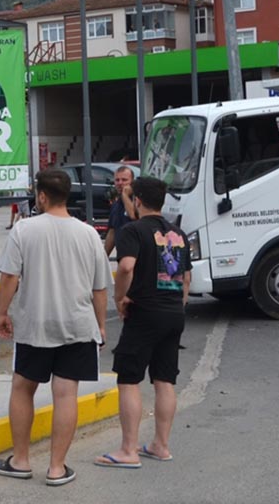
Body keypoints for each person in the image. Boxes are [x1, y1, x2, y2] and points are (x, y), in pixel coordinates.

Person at [0, 168, 111, 487]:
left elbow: (9, 278)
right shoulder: (88, 233)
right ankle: (57, 468)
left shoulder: (24, 230)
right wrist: (100, 326)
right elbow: (100, 289)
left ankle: (20, 461)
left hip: (35, 325)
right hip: (78, 324)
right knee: (66, 393)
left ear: (42, 196)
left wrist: (1, 313)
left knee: (22, 387)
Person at [94, 177, 191, 469]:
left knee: (128, 378)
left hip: (145, 312)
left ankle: (128, 449)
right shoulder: (178, 232)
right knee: (165, 379)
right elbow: (185, 277)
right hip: (174, 311)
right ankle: (161, 445)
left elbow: (125, 266)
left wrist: (120, 297)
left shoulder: (132, 231)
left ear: (136, 201)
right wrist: (178, 305)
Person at [103, 166, 138, 257]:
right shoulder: (116, 205)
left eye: (124, 180)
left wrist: (125, 195)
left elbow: (133, 215)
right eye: (117, 180)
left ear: (132, 182)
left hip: (136, 256)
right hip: (122, 255)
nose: (120, 183)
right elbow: (112, 231)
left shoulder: (138, 201)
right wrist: (104, 257)